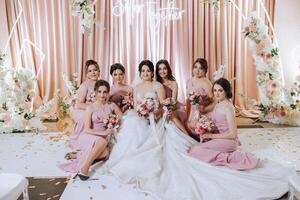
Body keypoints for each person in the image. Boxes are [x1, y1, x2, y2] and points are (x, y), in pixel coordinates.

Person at [98, 60, 166, 185]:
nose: (145, 73)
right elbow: (135, 107)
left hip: (154, 116)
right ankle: (126, 153)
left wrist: (152, 113)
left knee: (133, 123)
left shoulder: (157, 86)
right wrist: (142, 112)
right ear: (140, 73)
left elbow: (163, 105)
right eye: (143, 71)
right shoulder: (136, 88)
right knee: (130, 121)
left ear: (152, 72)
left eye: (148, 71)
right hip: (140, 114)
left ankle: (136, 151)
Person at [188, 78, 258, 170]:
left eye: (220, 90)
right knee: (194, 149)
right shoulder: (219, 104)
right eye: (215, 90)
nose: (217, 93)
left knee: (196, 150)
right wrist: (204, 125)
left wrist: (210, 135)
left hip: (229, 141)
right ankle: (225, 154)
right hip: (222, 138)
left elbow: (233, 134)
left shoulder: (228, 108)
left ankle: (231, 158)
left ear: (226, 91)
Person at [60, 80, 122, 180]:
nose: (102, 95)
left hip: (103, 138)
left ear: (108, 93)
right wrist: (104, 133)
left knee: (106, 153)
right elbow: (87, 129)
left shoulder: (111, 106)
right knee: (103, 142)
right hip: (89, 135)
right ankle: (85, 168)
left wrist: (114, 123)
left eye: (105, 92)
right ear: (96, 92)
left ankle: (79, 155)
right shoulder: (90, 107)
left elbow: (121, 118)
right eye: (100, 92)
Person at [69, 60, 100, 150]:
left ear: (99, 71)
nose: (93, 73)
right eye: (90, 71)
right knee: (86, 117)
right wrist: (92, 108)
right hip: (83, 109)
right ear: (87, 74)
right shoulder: (85, 85)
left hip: (98, 107)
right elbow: (79, 103)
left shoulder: (102, 84)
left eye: (95, 70)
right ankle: (80, 140)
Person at [155, 59, 187, 133]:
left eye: (164, 68)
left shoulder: (173, 83)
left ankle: (186, 134)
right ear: (157, 71)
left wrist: (169, 109)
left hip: (173, 107)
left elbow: (174, 101)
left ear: (168, 69)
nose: (162, 71)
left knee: (170, 115)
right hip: (160, 107)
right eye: (160, 69)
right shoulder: (156, 83)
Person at [186, 58, 214, 139]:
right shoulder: (189, 81)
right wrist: (187, 116)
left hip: (203, 112)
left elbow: (215, 102)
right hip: (192, 112)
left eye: (200, 68)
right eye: (195, 67)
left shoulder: (206, 83)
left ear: (205, 71)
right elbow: (188, 100)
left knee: (198, 130)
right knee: (187, 127)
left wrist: (204, 109)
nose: (197, 70)